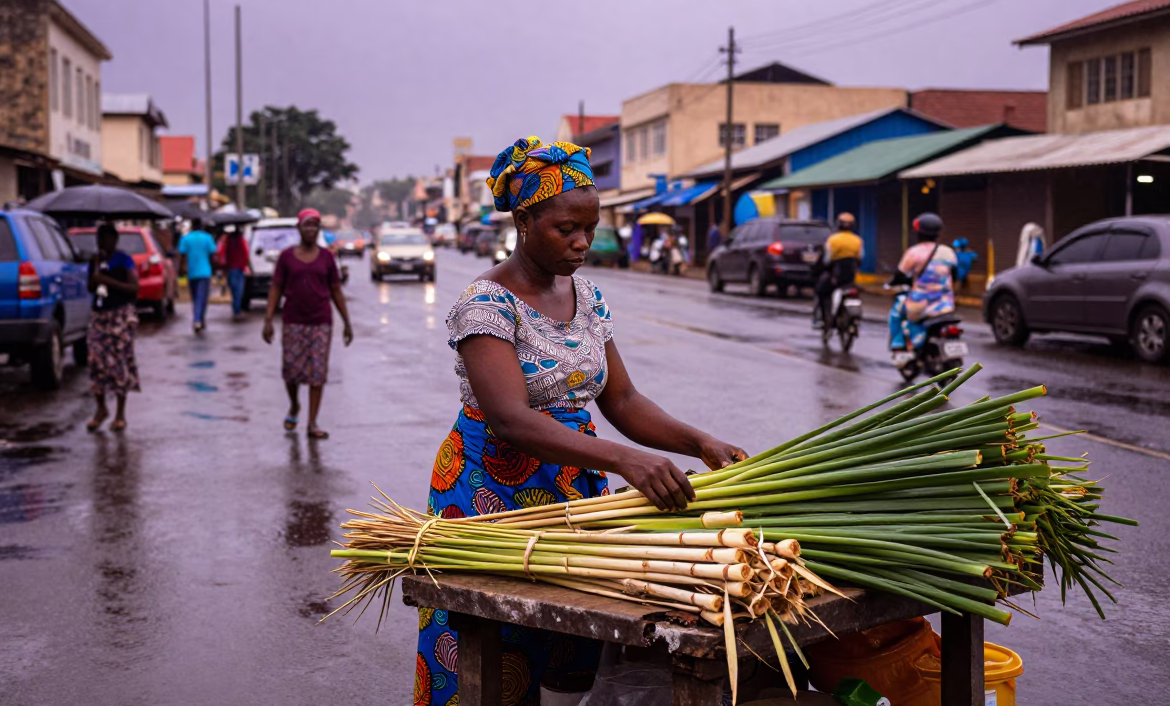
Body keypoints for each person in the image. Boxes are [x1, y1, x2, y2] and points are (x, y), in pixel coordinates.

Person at [417, 136, 748, 705]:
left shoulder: (588, 297)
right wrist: (624, 458)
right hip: (490, 496)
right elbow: (510, 420)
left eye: (589, 229)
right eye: (566, 228)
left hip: (575, 492)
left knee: (571, 657)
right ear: (524, 220)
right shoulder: (486, 305)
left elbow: (621, 400)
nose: (581, 243)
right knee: (497, 653)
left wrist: (700, 442)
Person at [261, 208, 354, 440]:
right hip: (293, 320)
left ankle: (312, 423)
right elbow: (276, 288)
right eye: (307, 225)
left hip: (321, 321)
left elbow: (336, 290)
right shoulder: (286, 257)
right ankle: (294, 405)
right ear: (299, 229)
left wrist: (347, 322)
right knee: (291, 372)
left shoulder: (326, 258)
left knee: (317, 373)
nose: (311, 230)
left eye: (315, 226)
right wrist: (268, 319)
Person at [86, 223, 140, 432]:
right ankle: (100, 409)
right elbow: (91, 286)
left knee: (119, 363)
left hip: (119, 315)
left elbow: (134, 288)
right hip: (100, 315)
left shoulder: (123, 260)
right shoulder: (97, 261)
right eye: (100, 239)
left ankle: (120, 413)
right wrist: (95, 278)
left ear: (115, 240)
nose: (103, 243)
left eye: (107, 239)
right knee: (96, 362)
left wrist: (107, 281)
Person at [888, 212, 958, 352]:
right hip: (945, 304)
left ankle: (897, 345)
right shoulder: (948, 252)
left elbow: (900, 274)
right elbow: (955, 275)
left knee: (896, 314)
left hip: (919, 304)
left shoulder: (914, 252)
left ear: (918, 232)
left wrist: (891, 282)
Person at [812, 212, 864, 329]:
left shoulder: (832, 240)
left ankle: (820, 319)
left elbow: (826, 260)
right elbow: (860, 258)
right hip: (850, 277)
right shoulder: (858, 241)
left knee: (821, 292)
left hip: (835, 277)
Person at [177, 221, 218, 333]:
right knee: (202, 297)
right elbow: (212, 255)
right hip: (205, 272)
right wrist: (215, 269)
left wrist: (181, 269)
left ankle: (198, 319)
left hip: (192, 272)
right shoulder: (208, 238)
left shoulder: (186, 239)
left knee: (195, 298)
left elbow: (182, 255)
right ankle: (198, 320)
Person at [221, 225, 251, 321]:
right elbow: (246, 253)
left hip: (230, 268)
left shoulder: (227, 240)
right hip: (239, 268)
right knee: (239, 290)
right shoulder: (241, 240)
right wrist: (248, 266)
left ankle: (236, 309)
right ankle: (237, 311)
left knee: (234, 291)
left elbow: (222, 253)